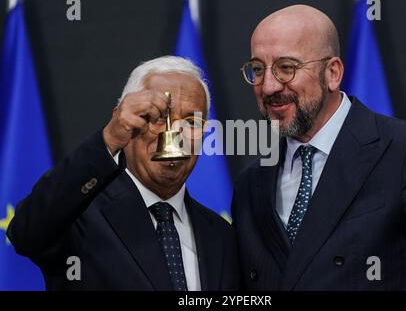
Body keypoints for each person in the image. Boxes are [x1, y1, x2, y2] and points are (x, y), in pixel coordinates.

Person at [232, 4, 406, 290]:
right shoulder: (251, 184)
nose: (269, 86)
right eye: (258, 70)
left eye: (286, 68)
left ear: (332, 73)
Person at [7, 56, 239, 291]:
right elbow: (25, 232)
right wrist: (108, 138)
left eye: (191, 121)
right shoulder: (80, 216)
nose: (176, 134)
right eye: (159, 117)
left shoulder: (222, 236)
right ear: (125, 121)